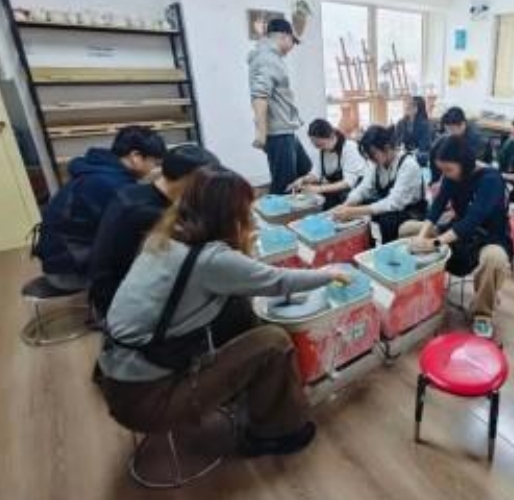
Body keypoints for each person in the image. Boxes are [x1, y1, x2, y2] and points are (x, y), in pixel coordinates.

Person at [97, 167, 350, 457]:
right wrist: (329, 274)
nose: (249, 217)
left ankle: (254, 391)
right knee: (274, 342)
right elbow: (278, 281)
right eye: (245, 210)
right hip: (149, 399)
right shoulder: (211, 260)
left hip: (119, 376)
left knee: (238, 307)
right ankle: (274, 434)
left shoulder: (166, 237)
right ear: (227, 214)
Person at [88, 144, 220, 319]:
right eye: (204, 184)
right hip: (119, 302)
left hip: (107, 287)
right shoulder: (147, 213)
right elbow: (201, 247)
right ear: (188, 179)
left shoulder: (134, 192)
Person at [400, 136, 512, 339]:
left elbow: (473, 220)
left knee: (494, 259)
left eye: (448, 169)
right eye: (442, 170)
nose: (445, 174)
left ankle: (482, 314)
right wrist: (422, 236)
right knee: (407, 229)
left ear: (464, 163)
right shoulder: (452, 176)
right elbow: (437, 206)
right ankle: (421, 288)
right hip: (458, 232)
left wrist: (434, 243)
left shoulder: (491, 180)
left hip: (488, 237)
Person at [32, 126, 166, 292]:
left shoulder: (98, 170)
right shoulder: (111, 184)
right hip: (69, 273)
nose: (154, 169)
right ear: (136, 156)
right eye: (154, 163)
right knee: (155, 257)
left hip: (60, 261)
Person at [249, 17, 312, 195]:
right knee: (284, 186)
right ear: (284, 36)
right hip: (279, 133)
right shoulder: (267, 59)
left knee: (305, 170)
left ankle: (303, 207)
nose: (292, 47)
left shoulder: (271, 57)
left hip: (285, 130)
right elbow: (260, 96)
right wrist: (261, 133)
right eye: (293, 41)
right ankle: (280, 212)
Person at [333, 125, 427, 243]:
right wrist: (346, 205)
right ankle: (364, 243)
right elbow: (364, 188)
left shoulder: (408, 165)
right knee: (357, 202)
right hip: (391, 208)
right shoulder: (376, 164)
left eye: (373, 154)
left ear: (387, 148)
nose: (371, 159)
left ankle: (387, 250)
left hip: (411, 211)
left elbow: (393, 203)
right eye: (369, 156)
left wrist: (353, 211)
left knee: (387, 219)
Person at [288, 119, 366, 210]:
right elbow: (316, 174)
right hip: (336, 192)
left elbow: (348, 182)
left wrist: (319, 189)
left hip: (356, 193)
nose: (319, 148)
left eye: (321, 144)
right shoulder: (321, 150)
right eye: (315, 145)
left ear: (332, 137)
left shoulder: (349, 148)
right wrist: (302, 179)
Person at [430, 106, 492, 184]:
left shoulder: (477, 141)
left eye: (452, 129)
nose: (449, 133)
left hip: (474, 178)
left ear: (462, 124)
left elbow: (472, 167)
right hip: (453, 174)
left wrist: (443, 181)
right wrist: (435, 181)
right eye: (447, 130)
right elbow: (434, 156)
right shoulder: (448, 137)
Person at [394, 96, 432, 166]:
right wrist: (400, 148)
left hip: (419, 155)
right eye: (407, 105)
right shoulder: (401, 123)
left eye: (411, 105)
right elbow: (396, 140)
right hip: (403, 154)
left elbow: (424, 145)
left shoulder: (425, 124)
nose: (407, 107)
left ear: (417, 108)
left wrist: (413, 153)